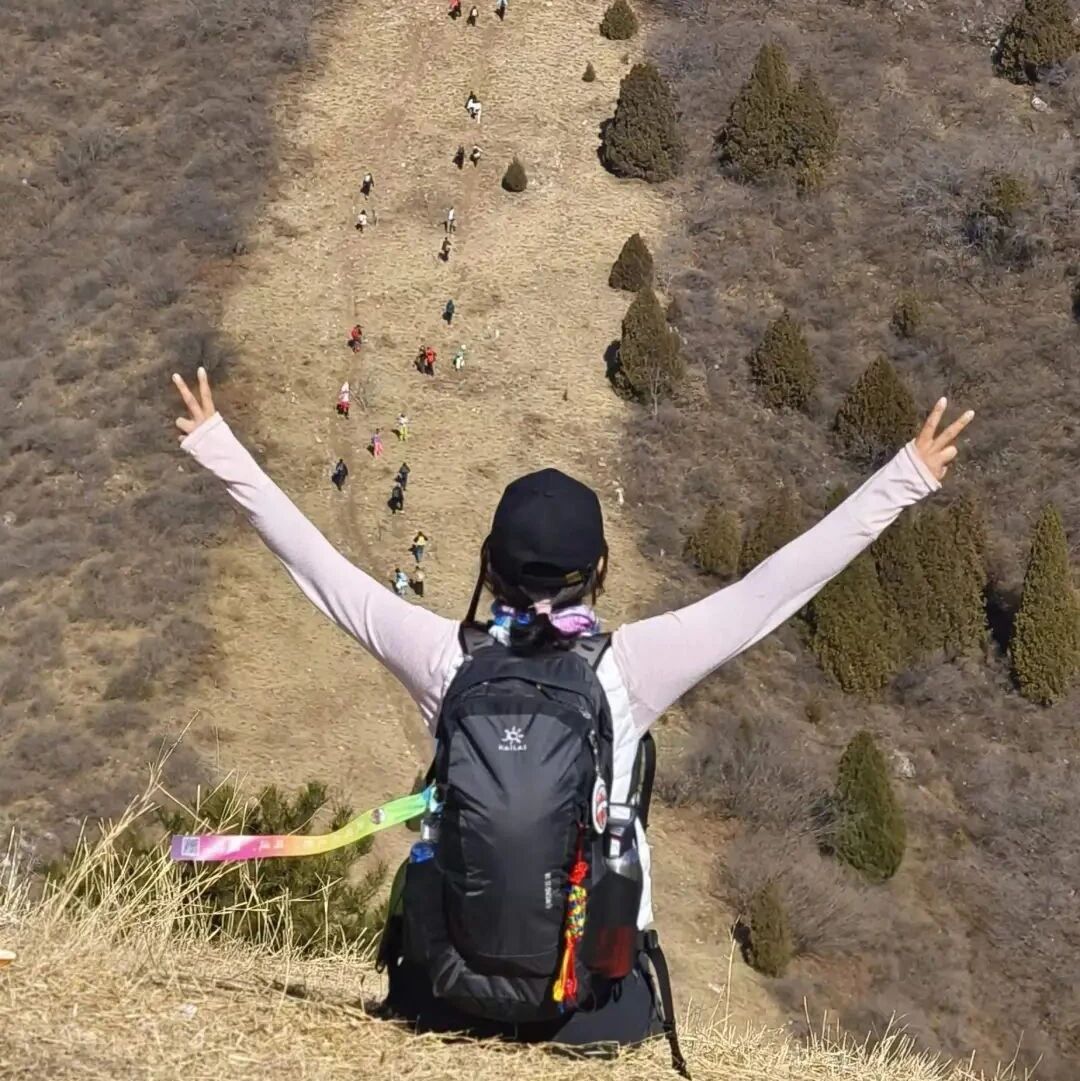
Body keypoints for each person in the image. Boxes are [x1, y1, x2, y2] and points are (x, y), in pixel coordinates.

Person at [172, 367, 974, 1069]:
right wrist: (906, 473)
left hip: (444, 993)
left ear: (489, 565)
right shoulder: (629, 667)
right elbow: (773, 587)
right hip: (596, 1008)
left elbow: (321, 568)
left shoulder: (444, 659)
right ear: (596, 572)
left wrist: (219, 446)